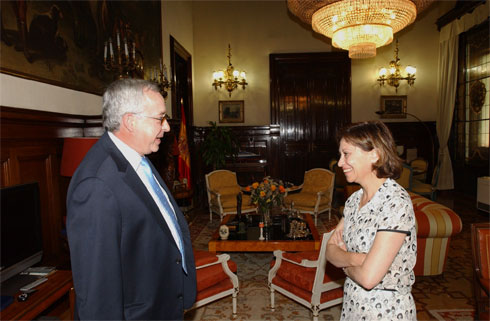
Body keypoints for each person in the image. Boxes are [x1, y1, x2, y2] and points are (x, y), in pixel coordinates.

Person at [67, 79, 196, 320]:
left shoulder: (137, 156)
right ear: (130, 121)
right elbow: (98, 290)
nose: (167, 127)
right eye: (160, 118)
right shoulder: (96, 185)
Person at [326, 121, 417, 320]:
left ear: (374, 155)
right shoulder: (353, 201)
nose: (340, 163)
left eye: (346, 154)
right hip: (352, 306)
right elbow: (329, 251)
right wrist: (357, 259)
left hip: (385, 312)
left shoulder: (395, 202)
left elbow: (368, 278)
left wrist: (343, 258)